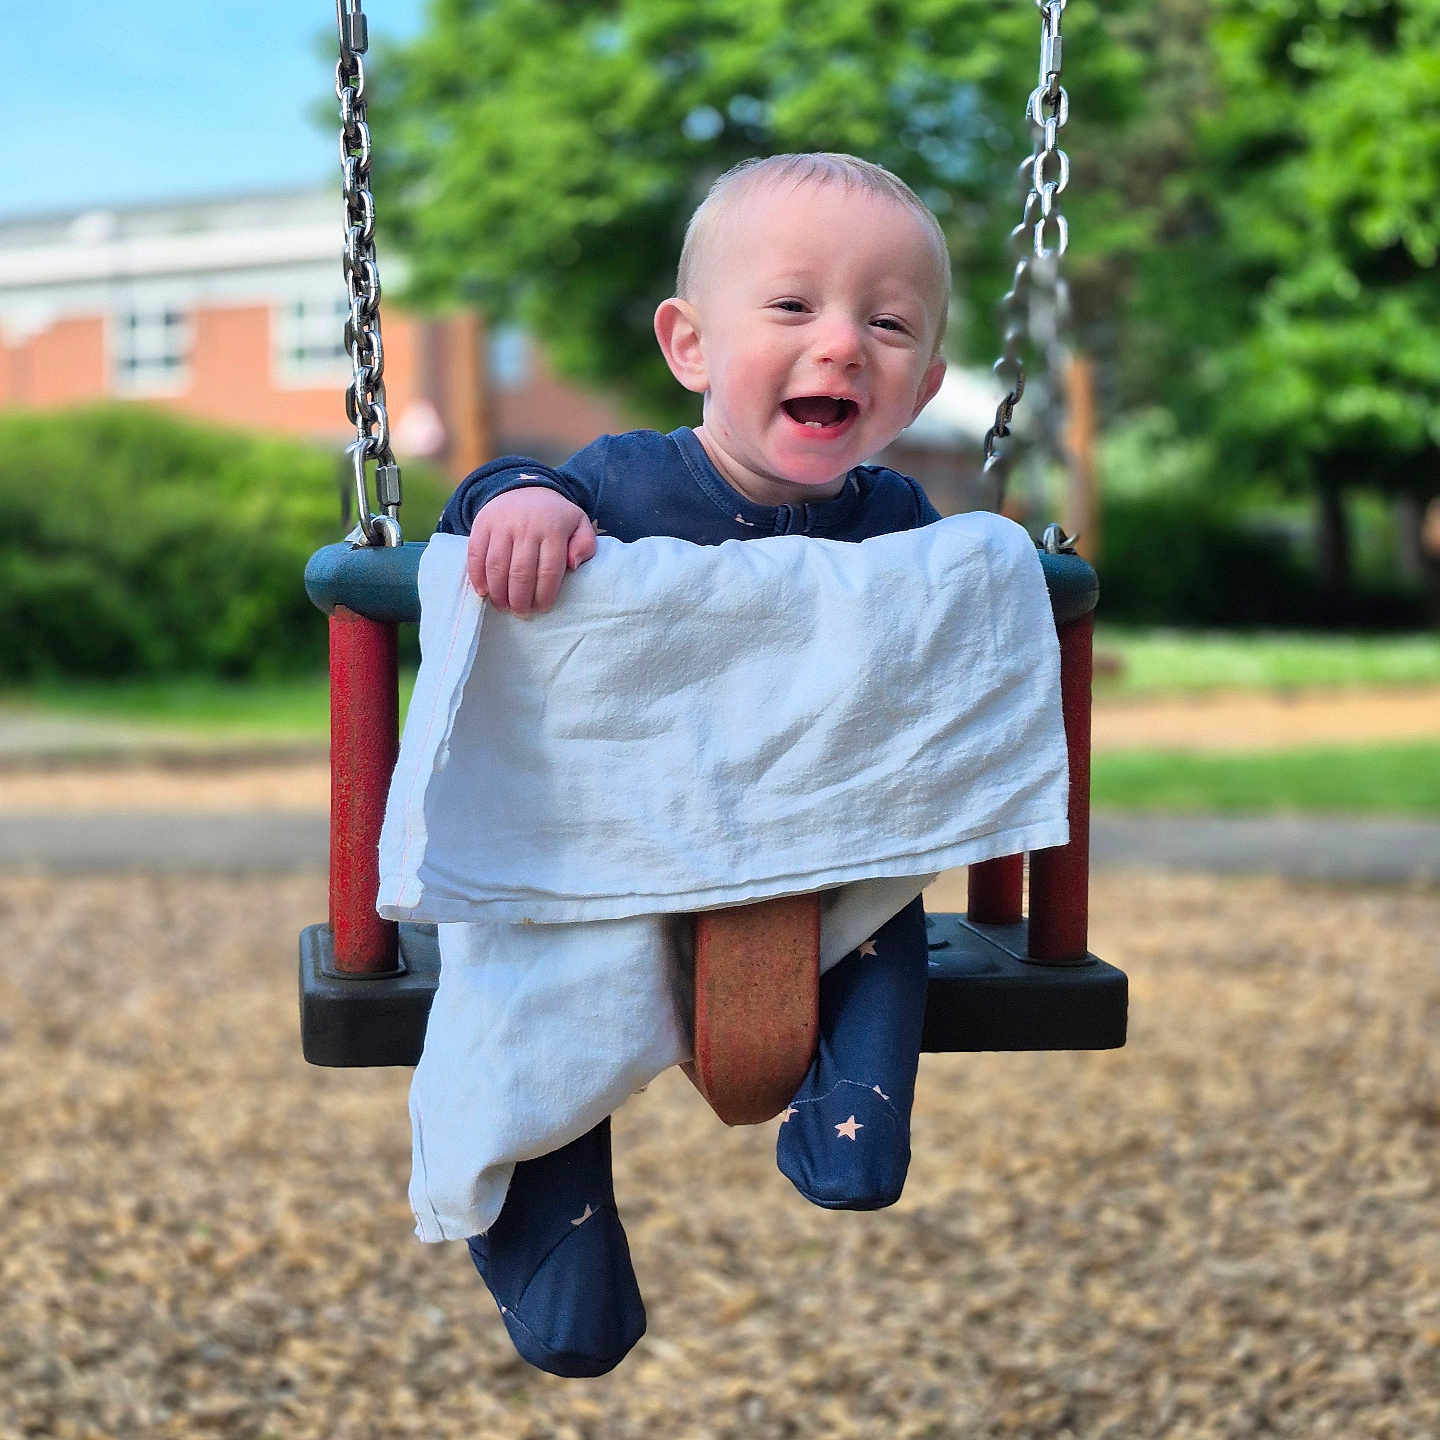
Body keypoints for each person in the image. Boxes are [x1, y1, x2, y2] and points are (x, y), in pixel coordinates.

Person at [434, 152, 950, 1378]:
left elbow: (948, 674)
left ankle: (856, 1117)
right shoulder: (622, 481)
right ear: (691, 345)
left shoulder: (904, 528)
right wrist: (517, 501)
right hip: (608, 862)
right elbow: (495, 505)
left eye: (887, 325)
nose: (842, 346)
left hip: (820, 862)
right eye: (792, 308)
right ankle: (544, 1224)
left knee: (892, 895)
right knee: (541, 999)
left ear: (924, 383)